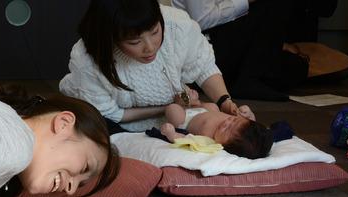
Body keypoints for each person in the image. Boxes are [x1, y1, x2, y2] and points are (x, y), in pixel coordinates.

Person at [59, 0, 254, 134]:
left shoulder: (177, 25)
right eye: (134, 42)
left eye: (155, 32)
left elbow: (203, 66)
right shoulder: (87, 59)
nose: (150, 47)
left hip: (175, 113)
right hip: (113, 118)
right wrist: (168, 108)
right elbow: (112, 114)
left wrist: (224, 101)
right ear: (111, 38)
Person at [170, 0, 309, 101]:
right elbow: (201, 20)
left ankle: (238, 80)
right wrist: (245, 2)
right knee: (277, 3)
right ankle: (247, 80)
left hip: (236, 45)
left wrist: (275, 44)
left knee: (297, 66)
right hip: (204, 45)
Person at [159, 101, 273, 159]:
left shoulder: (211, 143)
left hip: (185, 119)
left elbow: (189, 140)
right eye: (233, 120)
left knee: (172, 109)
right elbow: (251, 123)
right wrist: (248, 113)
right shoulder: (243, 125)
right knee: (213, 106)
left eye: (227, 129)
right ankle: (195, 103)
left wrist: (172, 134)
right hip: (205, 110)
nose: (227, 122)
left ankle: (184, 105)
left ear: (226, 146)